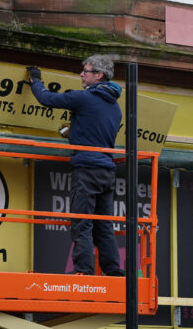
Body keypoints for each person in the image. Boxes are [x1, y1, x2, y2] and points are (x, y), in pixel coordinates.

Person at [27, 55, 125, 276]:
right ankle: (113, 271)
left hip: (88, 168)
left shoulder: (85, 98)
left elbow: (46, 99)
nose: (81, 74)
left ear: (98, 75)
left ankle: (83, 271)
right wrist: (75, 133)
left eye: (85, 71)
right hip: (106, 170)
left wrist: (35, 80)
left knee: (82, 222)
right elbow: (97, 133)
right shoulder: (115, 107)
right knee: (104, 225)